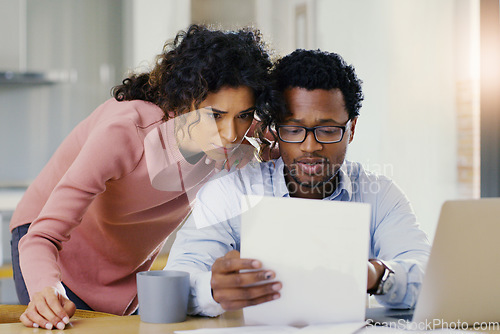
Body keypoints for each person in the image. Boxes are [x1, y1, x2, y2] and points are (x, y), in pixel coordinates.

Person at [10, 24, 278, 330]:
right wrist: (46, 287)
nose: (230, 134)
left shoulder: (234, 145)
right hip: (46, 247)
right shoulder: (125, 133)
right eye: (215, 115)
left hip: (123, 270)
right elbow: (43, 235)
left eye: (243, 115)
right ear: (186, 99)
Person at [165, 49, 431, 317]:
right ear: (275, 130)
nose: (310, 146)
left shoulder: (380, 195)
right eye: (293, 130)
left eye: (327, 130)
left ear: (352, 129)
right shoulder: (231, 191)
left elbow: (428, 274)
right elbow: (176, 280)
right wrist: (211, 289)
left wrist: (376, 274)